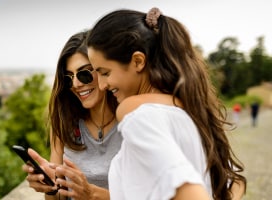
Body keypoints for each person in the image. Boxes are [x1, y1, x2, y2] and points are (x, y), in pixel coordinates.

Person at [81, 7, 246, 200]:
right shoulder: (190, 109)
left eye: (105, 72)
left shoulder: (136, 111)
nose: (101, 85)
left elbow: (189, 192)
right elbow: (234, 182)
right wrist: (92, 194)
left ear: (138, 61)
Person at [22, 30, 122, 200]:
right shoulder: (64, 121)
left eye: (84, 74)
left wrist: (93, 195)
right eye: (68, 78)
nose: (75, 84)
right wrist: (51, 188)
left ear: (103, 70)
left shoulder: (132, 121)